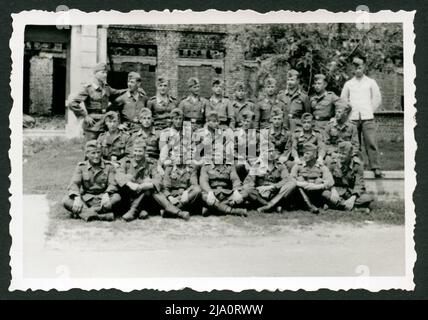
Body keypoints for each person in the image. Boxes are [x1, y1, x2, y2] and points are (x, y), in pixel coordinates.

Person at [115, 138, 190, 221]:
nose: (137, 154)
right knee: (130, 180)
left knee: (151, 188)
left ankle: (178, 213)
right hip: (128, 197)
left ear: (144, 152)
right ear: (132, 151)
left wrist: (146, 185)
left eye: (140, 151)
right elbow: (118, 175)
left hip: (145, 197)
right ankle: (136, 211)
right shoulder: (126, 162)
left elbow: (158, 179)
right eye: (135, 151)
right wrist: (130, 184)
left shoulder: (150, 164)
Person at [340, 56, 383, 178]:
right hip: (353, 118)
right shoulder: (349, 84)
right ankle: (357, 167)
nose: (358, 70)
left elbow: (377, 98)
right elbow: (343, 100)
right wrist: (347, 113)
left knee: (371, 142)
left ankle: (375, 167)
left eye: (360, 67)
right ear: (352, 69)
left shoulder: (370, 82)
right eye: (355, 68)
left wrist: (370, 110)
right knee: (355, 144)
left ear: (364, 67)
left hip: (367, 117)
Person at [62, 140, 121, 221]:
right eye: (93, 153)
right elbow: (74, 183)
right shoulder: (81, 167)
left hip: (102, 199)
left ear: (101, 153)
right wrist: (77, 198)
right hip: (87, 199)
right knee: (66, 200)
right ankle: (102, 216)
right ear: (87, 154)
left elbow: (113, 184)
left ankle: (84, 213)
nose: (96, 156)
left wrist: (107, 194)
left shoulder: (109, 166)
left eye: (98, 152)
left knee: (117, 198)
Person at [67, 62, 126, 141]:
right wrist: (85, 116)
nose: (105, 75)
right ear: (95, 73)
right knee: (92, 148)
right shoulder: (88, 88)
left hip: (105, 122)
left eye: (106, 73)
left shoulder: (106, 87)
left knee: (104, 147)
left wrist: (131, 90)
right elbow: (72, 103)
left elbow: (118, 92)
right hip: (92, 124)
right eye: (102, 72)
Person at [243, 145, 297, 213]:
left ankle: (269, 206)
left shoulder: (280, 165)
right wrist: (258, 189)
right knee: (247, 188)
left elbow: (287, 179)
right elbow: (248, 183)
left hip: (275, 193)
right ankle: (272, 205)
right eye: (268, 151)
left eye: (272, 151)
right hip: (260, 195)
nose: (271, 154)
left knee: (292, 183)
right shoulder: (256, 166)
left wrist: (273, 186)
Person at [324, 141, 374, 211]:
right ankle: (354, 208)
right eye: (339, 153)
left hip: (350, 192)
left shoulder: (357, 165)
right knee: (325, 194)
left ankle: (336, 205)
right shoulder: (332, 164)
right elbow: (327, 180)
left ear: (351, 154)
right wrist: (333, 190)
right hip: (337, 192)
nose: (340, 156)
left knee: (368, 198)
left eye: (344, 154)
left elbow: (359, 184)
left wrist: (352, 198)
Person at [199, 150, 248, 217]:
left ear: (224, 156)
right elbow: (203, 182)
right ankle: (233, 211)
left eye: (218, 155)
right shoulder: (206, 167)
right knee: (203, 196)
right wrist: (209, 192)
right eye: (214, 155)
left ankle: (212, 208)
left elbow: (235, 180)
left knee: (245, 193)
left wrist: (236, 190)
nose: (215, 157)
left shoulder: (230, 166)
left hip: (227, 193)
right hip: (213, 194)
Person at [290, 143, 334, 213]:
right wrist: (301, 184)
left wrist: (317, 186)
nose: (305, 156)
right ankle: (310, 205)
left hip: (317, 193)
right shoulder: (298, 166)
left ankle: (342, 205)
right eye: (304, 153)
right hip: (302, 194)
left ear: (314, 155)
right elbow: (290, 179)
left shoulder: (321, 167)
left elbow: (330, 181)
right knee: (298, 184)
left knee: (327, 193)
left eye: (307, 153)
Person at [161, 151, 202, 216]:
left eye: (180, 156)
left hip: (187, 197)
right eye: (175, 156)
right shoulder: (169, 169)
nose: (177, 158)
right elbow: (165, 187)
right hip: (173, 197)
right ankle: (179, 209)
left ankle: (169, 212)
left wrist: (186, 192)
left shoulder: (191, 169)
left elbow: (194, 184)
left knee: (197, 190)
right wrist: (170, 197)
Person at [129, 108, 162, 173]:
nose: (146, 121)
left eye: (148, 118)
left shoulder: (158, 134)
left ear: (152, 120)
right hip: (139, 162)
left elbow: (163, 152)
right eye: (144, 118)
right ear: (140, 120)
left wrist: (159, 165)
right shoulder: (135, 135)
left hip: (153, 162)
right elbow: (131, 153)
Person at [233, 109, 259, 181]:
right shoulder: (236, 134)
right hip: (239, 158)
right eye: (244, 121)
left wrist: (256, 160)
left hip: (253, 158)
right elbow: (232, 150)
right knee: (240, 166)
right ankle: (242, 182)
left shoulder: (256, 135)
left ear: (252, 122)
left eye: (248, 121)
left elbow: (260, 150)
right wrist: (242, 158)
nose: (245, 123)